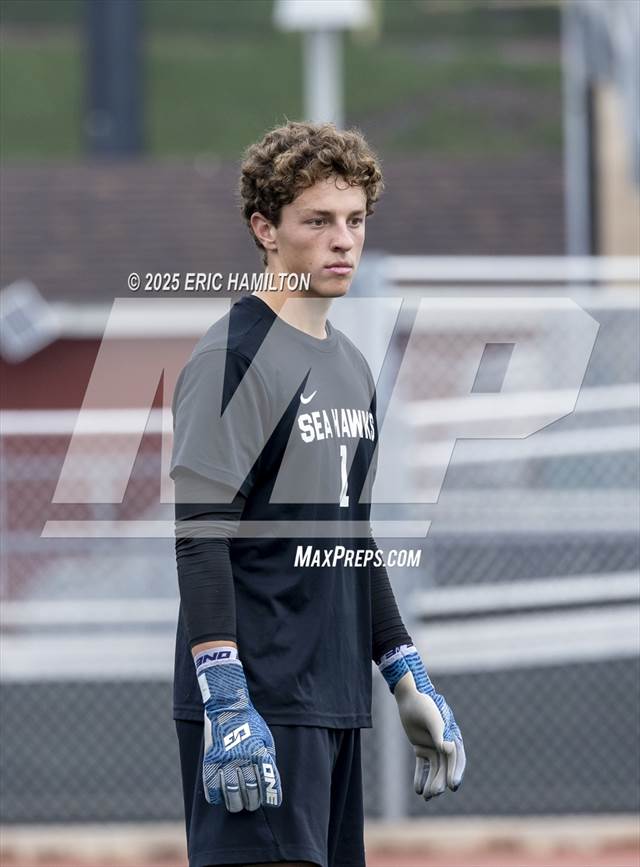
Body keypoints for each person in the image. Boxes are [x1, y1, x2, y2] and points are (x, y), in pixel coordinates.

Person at [170, 121, 465, 867]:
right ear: (265, 229)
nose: (344, 241)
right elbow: (201, 537)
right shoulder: (232, 357)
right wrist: (225, 696)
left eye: (356, 220)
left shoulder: (350, 366)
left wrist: (403, 670)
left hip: (333, 705)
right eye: (318, 221)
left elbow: (351, 537)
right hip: (255, 708)